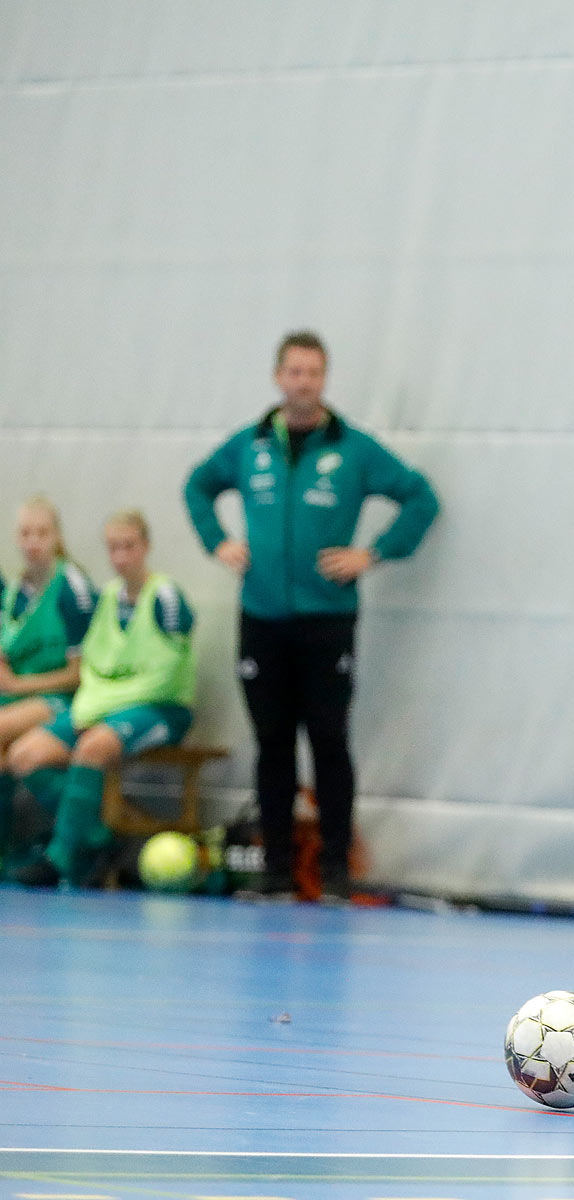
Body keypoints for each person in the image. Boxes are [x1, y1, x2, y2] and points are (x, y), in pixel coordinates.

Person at [185, 330, 439, 902]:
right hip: (262, 618)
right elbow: (198, 487)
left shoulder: (352, 449)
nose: (304, 382)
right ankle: (275, 871)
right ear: (278, 377)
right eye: (294, 372)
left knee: (328, 739)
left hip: (327, 620)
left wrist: (371, 555)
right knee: (272, 741)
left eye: (314, 373)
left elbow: (421, 498)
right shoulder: (249, 446)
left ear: (324, 379)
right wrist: (217, 542)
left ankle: (333, 871)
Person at [5, 511, 195, 889]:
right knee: (24, 755)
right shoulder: (107, 597)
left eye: (129, 546)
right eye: (113, 548)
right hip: (102, 707)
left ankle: (60, 856)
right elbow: (95, 662)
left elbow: (171, 660)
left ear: (146, 547)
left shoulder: (166, 596)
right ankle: (97, 837)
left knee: (93, 747)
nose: (121, 556)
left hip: (158, 708)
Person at [0, 498, 97, 868]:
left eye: (41, 533)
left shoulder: (72, 587)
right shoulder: (15, 591)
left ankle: (90, 834)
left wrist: (16, 686)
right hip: (20, 695)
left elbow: (80, 674)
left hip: (63, 698)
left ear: (57, 536)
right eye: (25, 533)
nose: (33, 542)